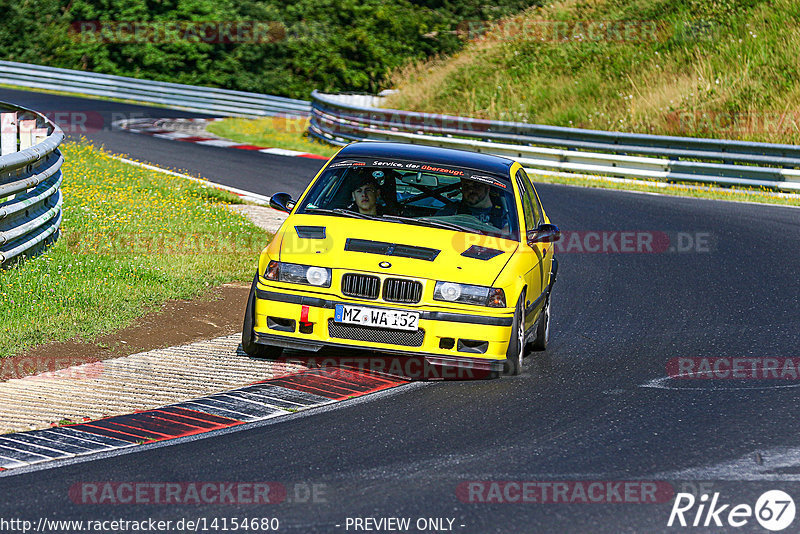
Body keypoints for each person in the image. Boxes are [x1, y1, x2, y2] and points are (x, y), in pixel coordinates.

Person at [437, 178, 508, 230]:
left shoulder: (505, 214)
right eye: (466, 186)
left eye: (476, 186)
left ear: (487, 187)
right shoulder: (451, 210)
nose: (470, 190)